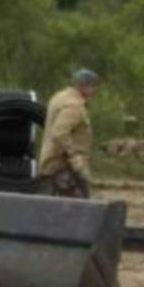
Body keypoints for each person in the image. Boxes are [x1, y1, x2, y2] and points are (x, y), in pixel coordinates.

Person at [39, 68, 99, 197]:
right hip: (66, 167)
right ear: (83, 86)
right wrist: (74, 155)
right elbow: (60, 133)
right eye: (92, 86)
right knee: (79, 208)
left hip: (53, 164)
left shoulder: (60, 97)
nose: (94, 90)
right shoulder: (74, 106)